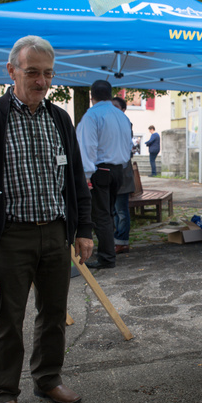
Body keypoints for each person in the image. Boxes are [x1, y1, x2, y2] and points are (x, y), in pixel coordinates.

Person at [0, 35, 94, 403]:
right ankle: (4, 394)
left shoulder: (60, 118)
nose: (41, 81)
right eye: (32, 72)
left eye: (48, 74)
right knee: (8, 319)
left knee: (54, 313)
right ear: (12, 71)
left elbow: (75, 178)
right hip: (10, 236)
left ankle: (48, 379)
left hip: (55, 232)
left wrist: (83, 229)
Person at [76, 80, 132, 270]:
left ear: (92, 97)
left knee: (101, 215)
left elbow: (87, 147)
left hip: (101, 170)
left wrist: (86, 175)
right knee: (109, 212)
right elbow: (128, 145)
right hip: (118, 169)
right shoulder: (121, 115)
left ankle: (107, 257)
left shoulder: (92, 115)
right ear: (111, 95)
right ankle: (107, 254)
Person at [111, 96, 136, 254]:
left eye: (116, 107)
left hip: (122, 176)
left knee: (121, 211)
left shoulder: (124, 124)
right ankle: (118, 240)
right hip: (113, 175)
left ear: (123, 109)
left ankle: (122, 241)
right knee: (115, 210)